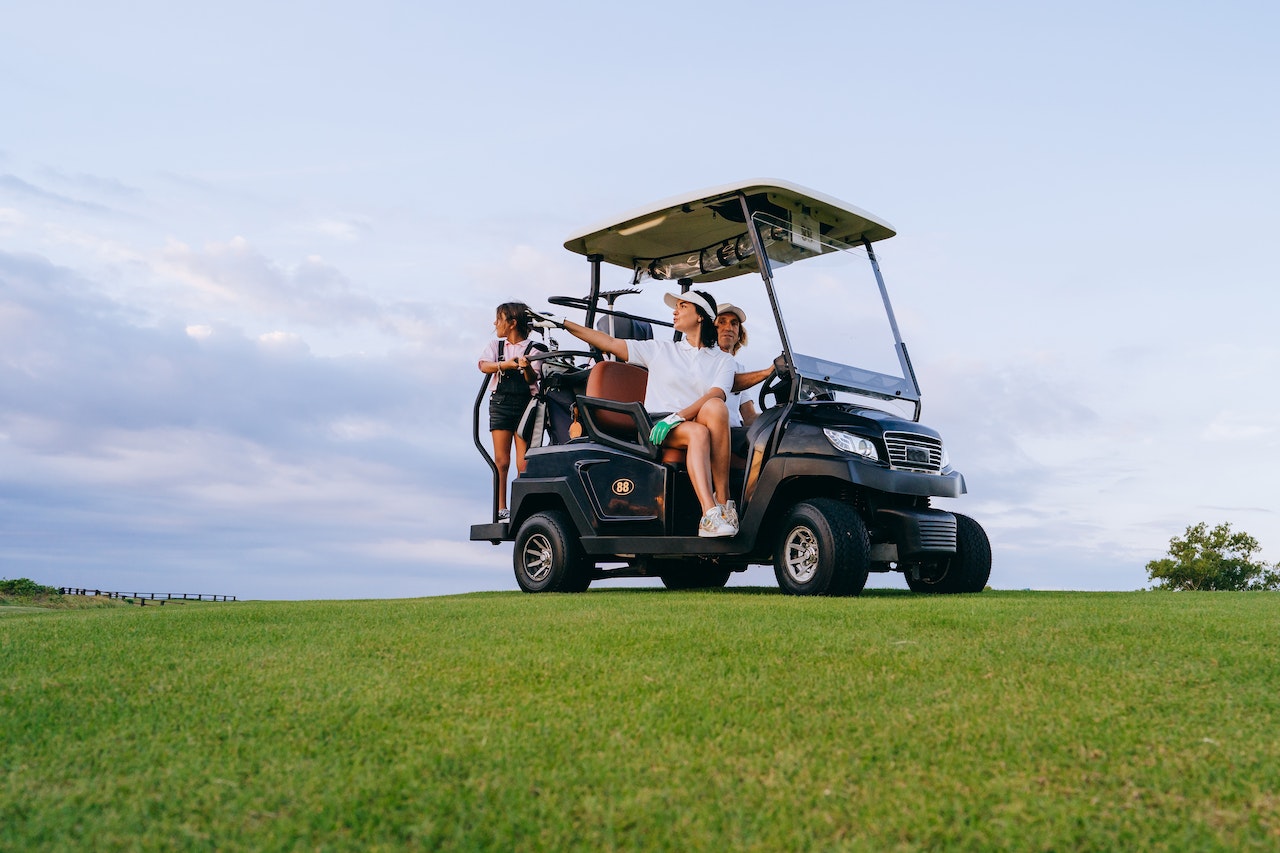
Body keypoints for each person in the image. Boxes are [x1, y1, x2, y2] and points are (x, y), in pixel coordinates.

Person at [531, 289, 739, 537]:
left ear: (700, 316)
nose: (675, 311)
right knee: (699, 433)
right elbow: (608, 342)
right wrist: (562, 324)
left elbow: (716, 394)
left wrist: (678, 416)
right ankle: (709, 514)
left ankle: (724, 502)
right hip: (658, 424)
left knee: (715, 407)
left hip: (685, 420)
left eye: (683, 306)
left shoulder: (723, 360)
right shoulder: (661, 349)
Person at [478, 302, 546, 520]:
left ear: (512, 323)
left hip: (526, 403)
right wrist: (505, 365)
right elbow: (483, 365)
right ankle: (500, 507)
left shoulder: (534, 349)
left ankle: (520, 505)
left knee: (523, 461)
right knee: (501, 460)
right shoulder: (496, 347)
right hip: (501, 403)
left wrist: (525, 367)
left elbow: (532, 379)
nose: (495, 323)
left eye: (499, 319)